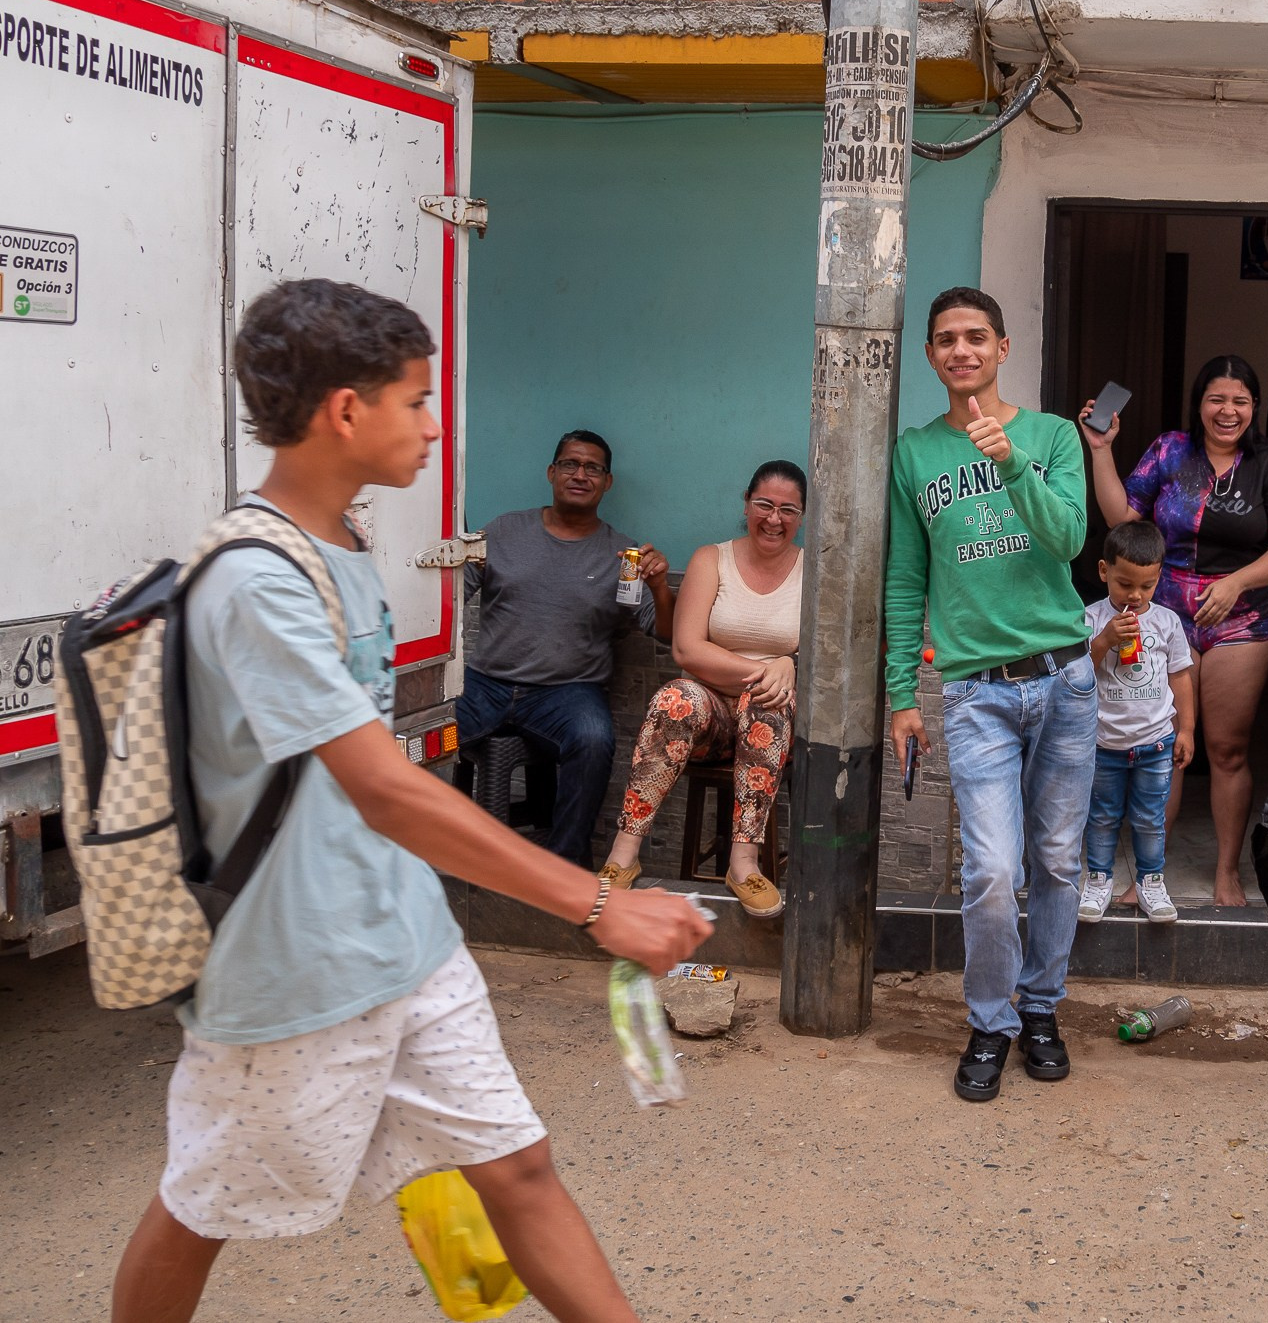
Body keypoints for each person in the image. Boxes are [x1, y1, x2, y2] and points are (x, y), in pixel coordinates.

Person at [112, 279, 712, 1323]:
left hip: (403, 940)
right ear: (347, 411)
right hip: (292, 969)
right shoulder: (255, 579)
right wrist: (600, 902)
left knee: (519, 1169)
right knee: (203, 1203)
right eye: (416, 400)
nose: (435, 425)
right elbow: (385, 788)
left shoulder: (340, 545)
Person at [886, 286, 1097, 1103]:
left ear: (1004, 348)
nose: (962, 350)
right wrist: (904, 692)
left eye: (977, 337)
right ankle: (990, 1021)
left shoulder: (1049, 436)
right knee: (990, 869)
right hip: (976, 691)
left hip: (1066, 679)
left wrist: (1009, 462)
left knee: (1054, 859)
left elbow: (1071, 539)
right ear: (933, 355)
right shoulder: (915, 454)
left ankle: (1040, 1006)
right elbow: (907, 578)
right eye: (946, 340)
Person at [1081, 355, 1268, 907]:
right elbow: (1122, 521)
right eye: (1217, 399)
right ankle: (1148, 878)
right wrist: (1102, 450)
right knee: (1166, 745)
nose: (1228, 411)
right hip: (1162, 614)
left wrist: (1235, 584)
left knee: (1226, 749)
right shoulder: (1169, 451)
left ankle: (1226, 871)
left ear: (1254, 408)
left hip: (1242, 619)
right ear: (1199, 404)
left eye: (1240, 401)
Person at [597, 461, 806, 919]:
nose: (774, 519)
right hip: (709, 715)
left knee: (767, 707)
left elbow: (825, 658)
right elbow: (688, 650)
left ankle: (743, 864)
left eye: (788, 510)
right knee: (675, 697)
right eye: (764, 505)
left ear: (802, 516)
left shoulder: (812, 572)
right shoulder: (711, 559)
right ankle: (622, 857)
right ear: (746, 504)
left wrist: (790, 666)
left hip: (771, 723)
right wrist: (772, 666)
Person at [456, 429, 674, 867]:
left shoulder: (624, 554)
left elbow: (665, 634)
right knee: (420, 733)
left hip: (567, 692)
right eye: (570, 465)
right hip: (484, 684)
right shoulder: (502, 530)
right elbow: (449, 593)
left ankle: (567, 868)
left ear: (607, 482)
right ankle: (434, 851)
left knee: (593, 740)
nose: (580, 475)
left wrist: (659, 587)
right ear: (552, 472)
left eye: (593, 468)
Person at [1079, 520, 1196, 925]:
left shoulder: (1167, 622)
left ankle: (1150, 881)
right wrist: (1105, 640)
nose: (1135, 595)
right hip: (1103, 743)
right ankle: (1098, 879)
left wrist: (1187, 729)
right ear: (1103, 571)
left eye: (1146, 586)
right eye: (1125, 583)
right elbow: (1079, 673)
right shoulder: (1091, 618)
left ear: (1159, 576)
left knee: (1150, 817)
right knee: (1102, 815)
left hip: (1155, 743)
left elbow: (1181, 676)